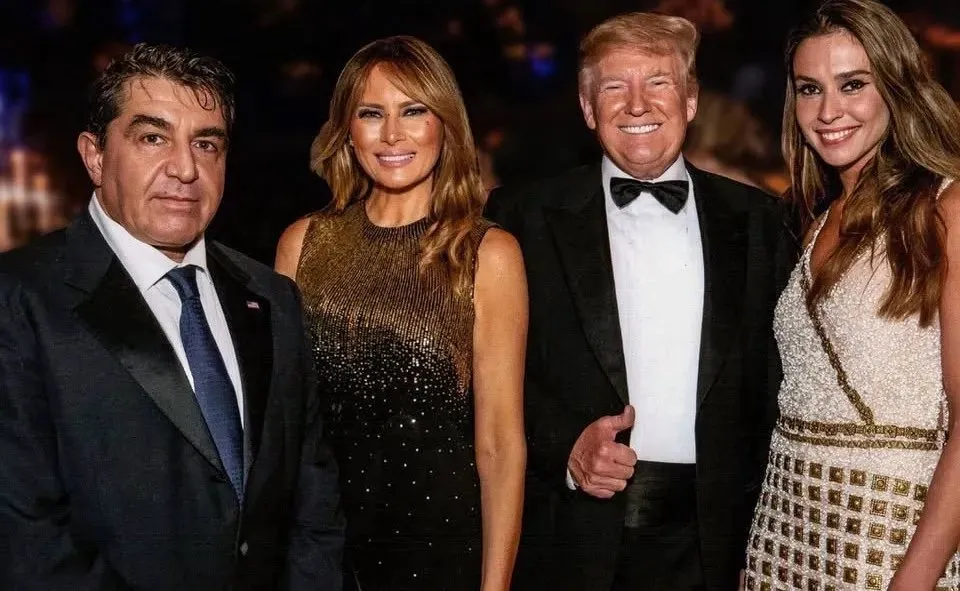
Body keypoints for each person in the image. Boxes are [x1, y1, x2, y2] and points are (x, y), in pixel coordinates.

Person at [0, 43, 344, 590]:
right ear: (94, 156)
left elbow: (313, 503)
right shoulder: (21, 299)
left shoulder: (272, 298)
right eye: (153, 138)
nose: (185, 169)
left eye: (206, 144)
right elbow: (26, 538)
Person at [484, 12, 795, 591]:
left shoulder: (762, 223)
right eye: (614, 87)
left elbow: (777, 382)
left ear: (690, 100)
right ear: (587, 108)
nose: (636, 105)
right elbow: (484, 375)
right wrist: (564, 448)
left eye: (657, 82)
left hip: (720, 544)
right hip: (571, 540)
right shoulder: (519, 218)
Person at [275, 36, 527, 590]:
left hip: (440, 552)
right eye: (371, 113)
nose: (392, 134)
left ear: (445, 124)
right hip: (323, 552)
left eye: (413, 111)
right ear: (347, 129)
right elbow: (287, 429)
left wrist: (495, 586)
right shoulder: (302, 244)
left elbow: (500, 444)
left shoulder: (486, 254)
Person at [742, 0, 960, 589]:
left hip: (889, 540)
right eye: (809, 89)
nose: (828, 111)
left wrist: (913, 581)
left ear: (896, 87)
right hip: (782, 538)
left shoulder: (946, 210)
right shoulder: (814, 219)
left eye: (853, 85)